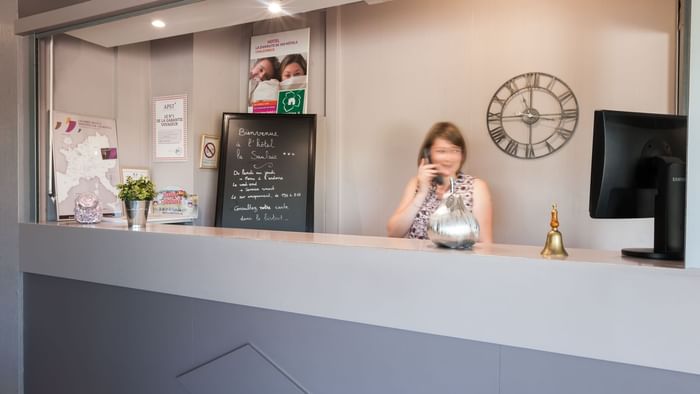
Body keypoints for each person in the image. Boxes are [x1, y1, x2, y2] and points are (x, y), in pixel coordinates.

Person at [387, 122, 493, 242]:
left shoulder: (476, 187)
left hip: (459, 261)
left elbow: (485, 244)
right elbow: (393, 233)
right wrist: (421, 193)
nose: (449, 158)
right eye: (441, 151)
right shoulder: (415, 184)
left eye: (455, 151)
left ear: (462, 155)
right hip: (417, 260)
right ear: (428, 154)